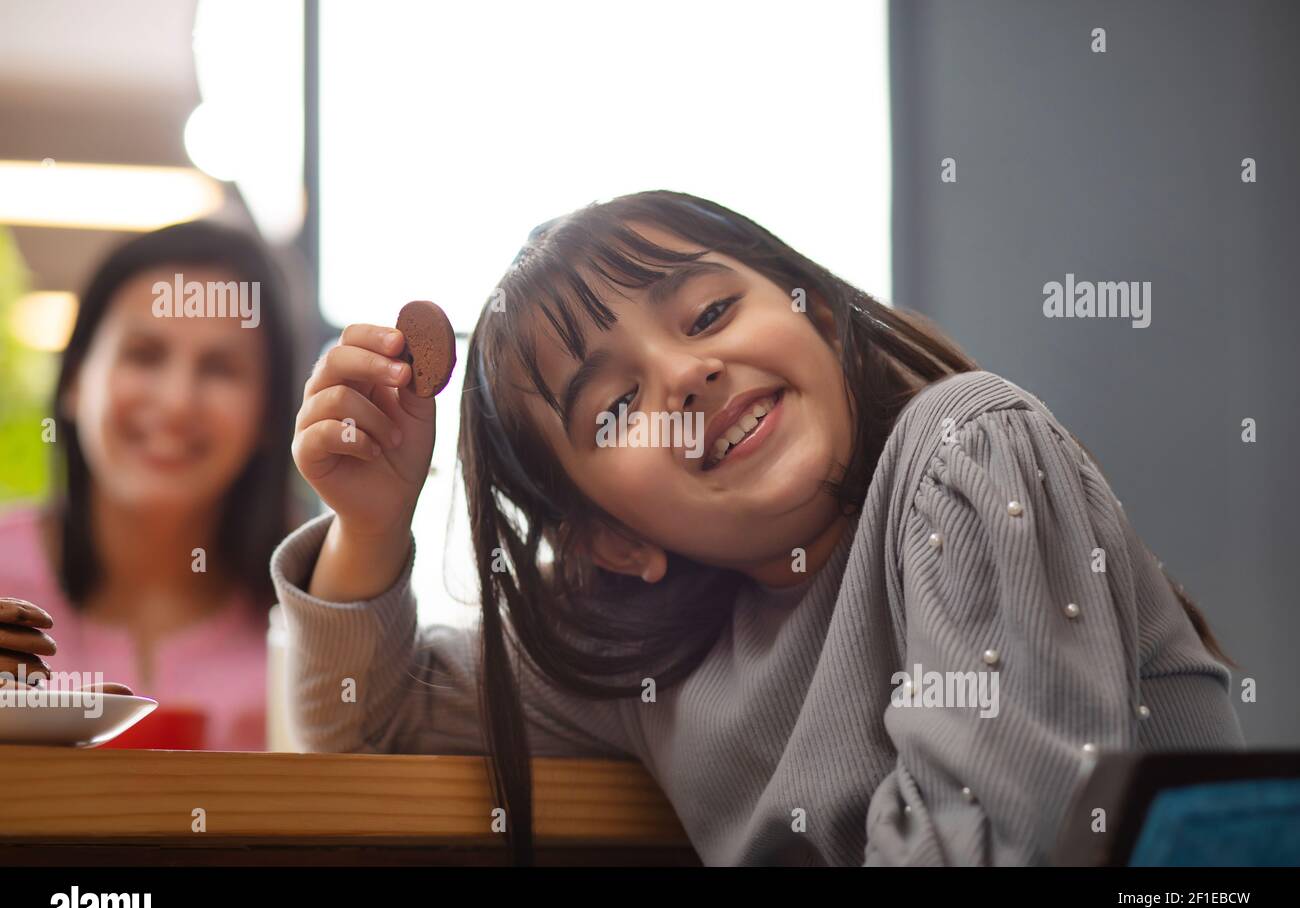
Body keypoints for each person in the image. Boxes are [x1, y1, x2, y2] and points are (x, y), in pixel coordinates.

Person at [271, 190, 1244, 864]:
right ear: (614, 539)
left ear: (812, 312)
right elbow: (371, 725)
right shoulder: (659, 669)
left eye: (710, 312)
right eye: (613, 409)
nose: (687, 375)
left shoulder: (970, 450)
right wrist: (369, 522)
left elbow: (991, 850)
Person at [0, 220, 300, 750]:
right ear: (74, 380)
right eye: (144, 354)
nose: (177, 402)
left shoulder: (318, 617)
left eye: (220, 368)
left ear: (270, 415)